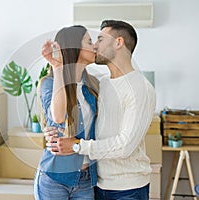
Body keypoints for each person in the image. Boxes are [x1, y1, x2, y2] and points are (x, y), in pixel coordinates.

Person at [45, 20, 156, 200]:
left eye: (100, 40)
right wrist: (52, 129)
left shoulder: (140, 88)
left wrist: (76, 145)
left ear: (118, 42)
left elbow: (125, 146)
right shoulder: (101, 84)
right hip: (98, 183)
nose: (95, 46)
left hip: (128, 189)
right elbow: (82, 119)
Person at [34, 25, 99, 200]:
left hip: (86, 179)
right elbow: (58, 116)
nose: (95, 46)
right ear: (74, 47)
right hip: (55, 177)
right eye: (89, 41)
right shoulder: (49, 83)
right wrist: (58, 67)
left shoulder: (94, 85)